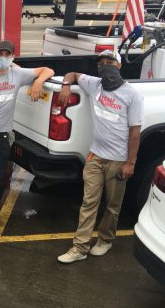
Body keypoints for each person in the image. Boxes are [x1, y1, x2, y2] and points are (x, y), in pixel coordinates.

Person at [57, 50, 144, 264]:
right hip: (95, 157)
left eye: (111, 62)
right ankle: (80, 247)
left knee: (113, 205)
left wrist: (130, 163)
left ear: (120, 65)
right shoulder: (94, 84)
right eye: (102, 63)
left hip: (118, 161)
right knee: (89, 203)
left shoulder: (132, 95)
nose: (106, 66)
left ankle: (105, 240)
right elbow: (73, 74)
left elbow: (135, 132)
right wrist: (66, 86)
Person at [0, 40, 53, 226]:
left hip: (2, 136)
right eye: (0, 54)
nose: (3, 58)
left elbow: (48, 70)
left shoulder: (18, 74)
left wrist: (38, 82)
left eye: (7, 55)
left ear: (12, 57)